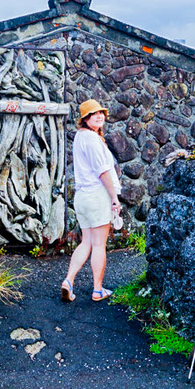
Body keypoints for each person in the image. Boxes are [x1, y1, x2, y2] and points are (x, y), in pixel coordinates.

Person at [61, 99, 121, 302]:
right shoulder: (93, 139)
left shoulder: (80, 137)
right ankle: (97, 289)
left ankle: (68, 281)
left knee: (86, 241)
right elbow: (102, 171)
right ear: (84, 119)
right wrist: (114, 197)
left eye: (101, 113)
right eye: (93, 114)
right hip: (97, 196)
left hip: (82, 197)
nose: (99, 116)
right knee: (98, 244)